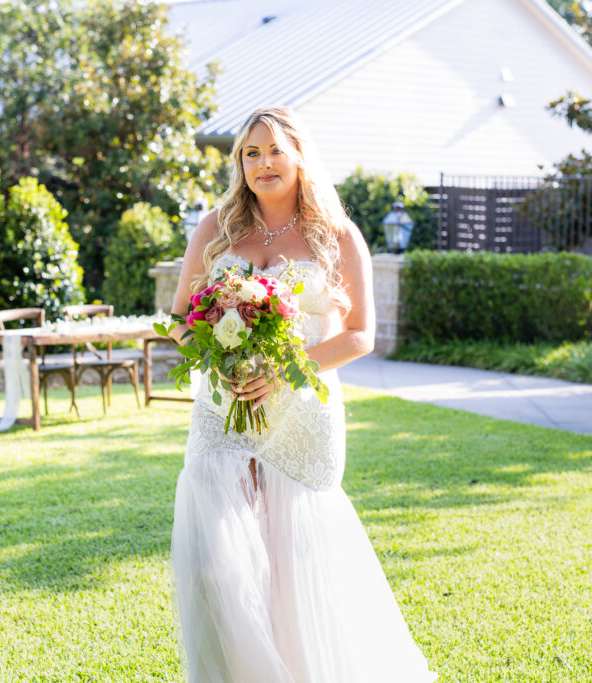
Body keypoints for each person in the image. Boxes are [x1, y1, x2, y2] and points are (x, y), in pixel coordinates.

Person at [168, 106, 437, 682]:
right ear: (239, 163)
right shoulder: (216, 228)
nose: (263, 164)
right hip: (223, 408)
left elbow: (361, 334)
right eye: (250, 153)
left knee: (296, 561)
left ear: (299, 156)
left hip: (302, 412)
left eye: (274, 151)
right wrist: (221, 354)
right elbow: (178, 319)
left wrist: (286, 366)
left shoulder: (337, 234)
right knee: (218, 561)